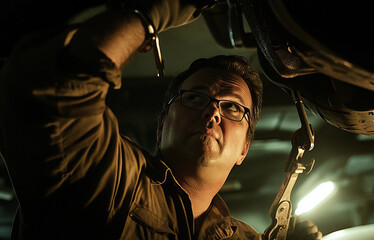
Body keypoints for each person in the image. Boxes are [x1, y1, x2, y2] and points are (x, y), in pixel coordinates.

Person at [0, 0, 322, 239]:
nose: (212, 112)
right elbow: (45, 90)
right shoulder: (111, 181)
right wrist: (150, 14)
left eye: (233, 108)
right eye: (195, 98)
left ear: (244, 150)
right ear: (160, 124)